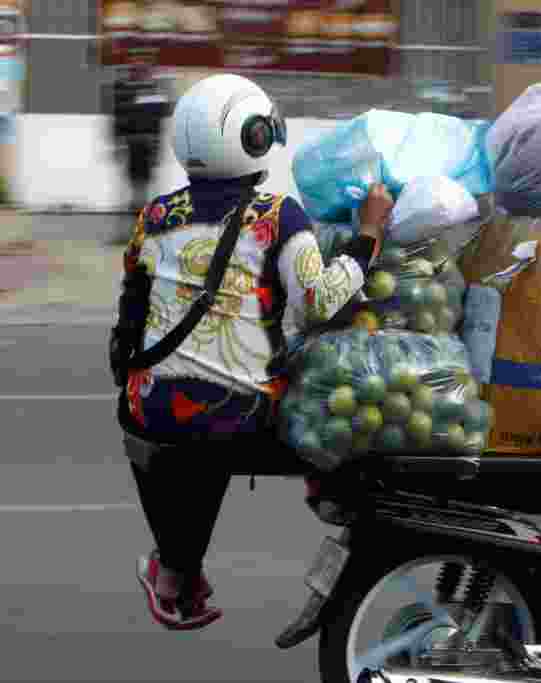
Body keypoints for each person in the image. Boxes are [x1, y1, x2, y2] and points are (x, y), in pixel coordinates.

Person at [109, 73, 394, 630]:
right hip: (246, 420)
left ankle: (175, 571)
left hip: (154, 413)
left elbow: (131, 312)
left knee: (189, 414)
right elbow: (322, 301)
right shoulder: (278, 216)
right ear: (255, 137)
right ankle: (334, 497)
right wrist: (368, 236)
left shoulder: (152, 218)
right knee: (329, 389)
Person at [111, 61, 171, 242]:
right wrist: (119, 144)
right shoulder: (126, 90)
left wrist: (157, 149)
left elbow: (158, 121)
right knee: (134, 193)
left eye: (142, 70)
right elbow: (120, 119)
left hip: (145, 147)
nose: (140, 74)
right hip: (135, 146)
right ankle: (134, 232)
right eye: (136, 70)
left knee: (142, 193)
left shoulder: (153, 91)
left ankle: (145, 232)